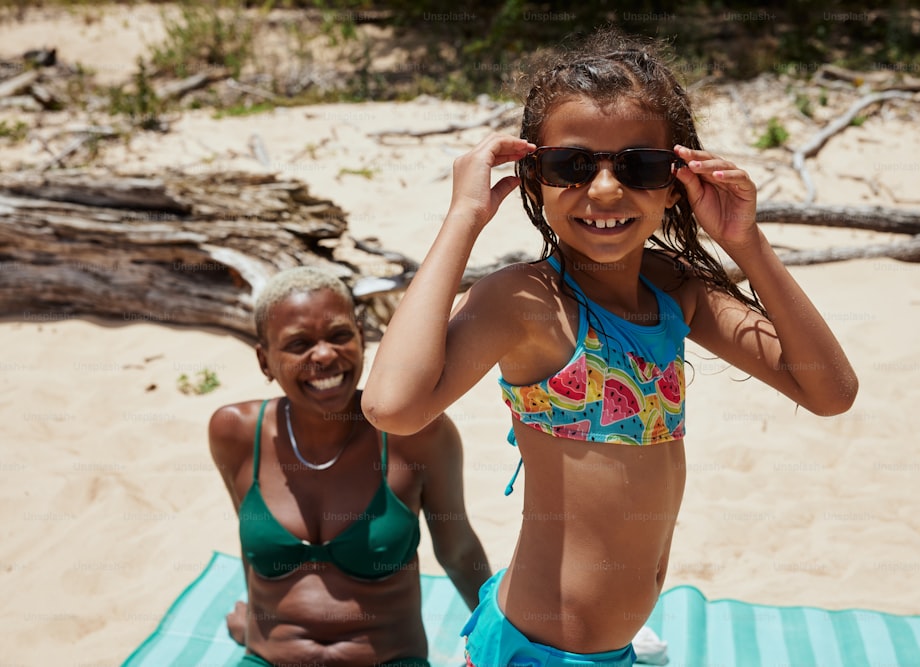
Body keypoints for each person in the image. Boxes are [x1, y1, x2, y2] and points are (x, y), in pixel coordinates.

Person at [361, 27, 858, 667]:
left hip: (613, 651)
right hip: (534, 653)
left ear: (677, 179)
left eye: (639, 166)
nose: (603, 190)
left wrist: (747, 242)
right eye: (572, 165)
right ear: (534, 176)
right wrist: (463, 217)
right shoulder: (527, 303)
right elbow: (392, 407)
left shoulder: (673, 288)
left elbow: (829, 391)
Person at [209, 265, 490, 667]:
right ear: (264, 360)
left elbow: (459, 551)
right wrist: (255, 624)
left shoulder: (416, 434)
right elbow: (251, 548)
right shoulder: (234, 433)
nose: (324, 354)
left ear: (361, 338)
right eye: (299, 344)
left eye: (340, 335)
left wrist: (502, 632)